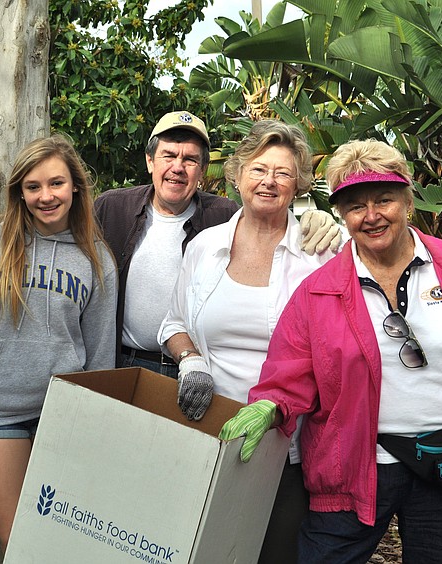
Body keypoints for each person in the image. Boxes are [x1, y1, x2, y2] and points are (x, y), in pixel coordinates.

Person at [220, 139, 442, 563]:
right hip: (352, 466)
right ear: (341, 214)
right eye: (355, 206)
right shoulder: (319, 290)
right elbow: (291, 371)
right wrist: (269, 405)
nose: (372, 216)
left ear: (407, 201)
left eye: (384, 199)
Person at [158, 119, 338, 563]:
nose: (269, 181)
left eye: (282, 172)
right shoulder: (205, 246)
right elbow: (172, 323)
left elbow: (337, 352)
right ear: (236, 176)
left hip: (287, 446)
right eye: (259, 169)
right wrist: (190, 361)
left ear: (298, 184)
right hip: (208, 431)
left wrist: (337, 227)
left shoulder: (321, 253)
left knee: (275, 555)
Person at [94, 110, 341, 378]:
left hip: (277, 401)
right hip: (127, 362)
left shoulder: (222, 215)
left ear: (202, 169)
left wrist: (319, 218)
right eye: (168, 155)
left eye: (190, 159)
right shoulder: (112, 207)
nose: (177, 167)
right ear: (150, 161)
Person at [0, 134, 118, 551]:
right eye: (33, 187)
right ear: (20, 192)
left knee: (62, 538)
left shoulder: (96, 258)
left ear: (75, 188)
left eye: (56, 184)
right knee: (19, 540)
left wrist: (93, 418)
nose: (46, 196)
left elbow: (100, 350)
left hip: (63, 413)